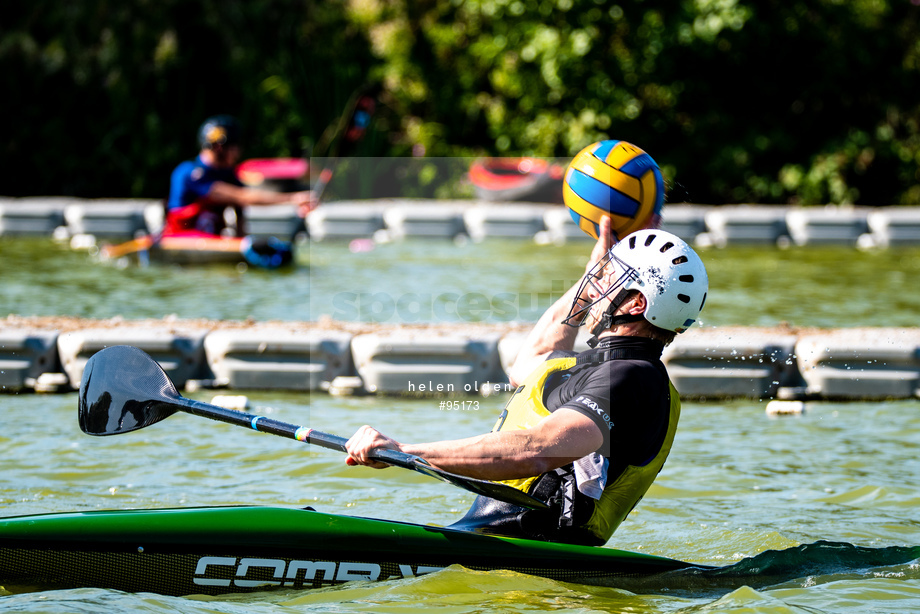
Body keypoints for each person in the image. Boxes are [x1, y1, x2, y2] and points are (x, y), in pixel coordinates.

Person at [345, 215, 709, 546]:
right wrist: (589, 275)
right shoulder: (598, 366)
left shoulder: (632, 378)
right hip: (491, 536)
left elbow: (538, 450)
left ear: (636, 304)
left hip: (534, 552)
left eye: (612, 278)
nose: (597, 287)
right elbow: (530, 362)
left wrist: (404, 453)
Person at [165, 115, 315, 237]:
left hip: (209, 241)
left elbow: (242, 210)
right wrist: (293, 199)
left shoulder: (228, 174)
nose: (238, 152)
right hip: (181, 237)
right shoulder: (190, 173)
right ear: (219, 147)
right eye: (236, 146)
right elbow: (242, 196)